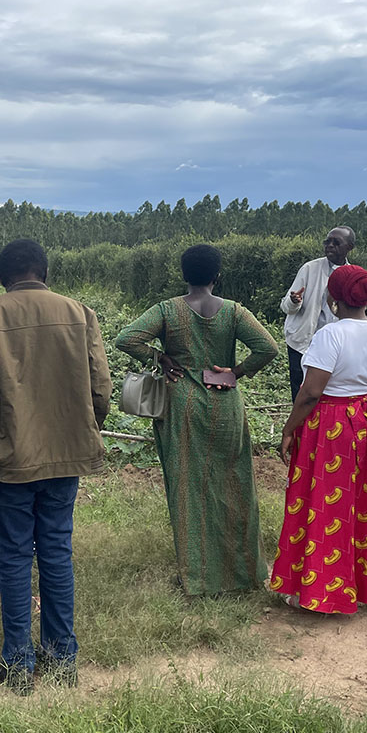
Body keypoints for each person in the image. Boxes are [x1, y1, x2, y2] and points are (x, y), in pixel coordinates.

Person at [0, 238, 111, 695]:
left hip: (6, 461)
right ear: (44, 271)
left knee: (12, 556)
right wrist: (82, 430)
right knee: (57, 551)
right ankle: (62, 657)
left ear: (3, 276)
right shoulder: (80, 313)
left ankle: (18, 661)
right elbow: (100, 388)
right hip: (65, 456)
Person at [116, 244, 279, 596]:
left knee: (187, 488)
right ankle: (243, 575)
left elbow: (126, 339)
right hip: (226, 406)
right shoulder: (235, 312)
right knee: (235, 486)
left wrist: (161, 357)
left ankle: (197, 579)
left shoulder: (167, 310)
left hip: (182, 404)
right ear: (217, 276)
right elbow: (269, 348)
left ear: (183, 275)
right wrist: (236, 371)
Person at [270, 265, 367, 613]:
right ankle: (354, 586)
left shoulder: (330, 335)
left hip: (330, 423)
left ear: (333, 297)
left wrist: (289, 429)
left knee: (321, 504)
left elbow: (311, 392)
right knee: (358, 504)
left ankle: (313, 589)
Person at [280, 227, 355, 400]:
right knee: (299, 395)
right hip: (301, 343)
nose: (330, 246)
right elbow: (286, 306)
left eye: (336, 243)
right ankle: (299, 427)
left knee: (326, 394)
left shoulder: (352, 276)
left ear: (349, 247)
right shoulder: (309, 269)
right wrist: (294, 301)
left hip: (333, 347)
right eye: (327, 241)